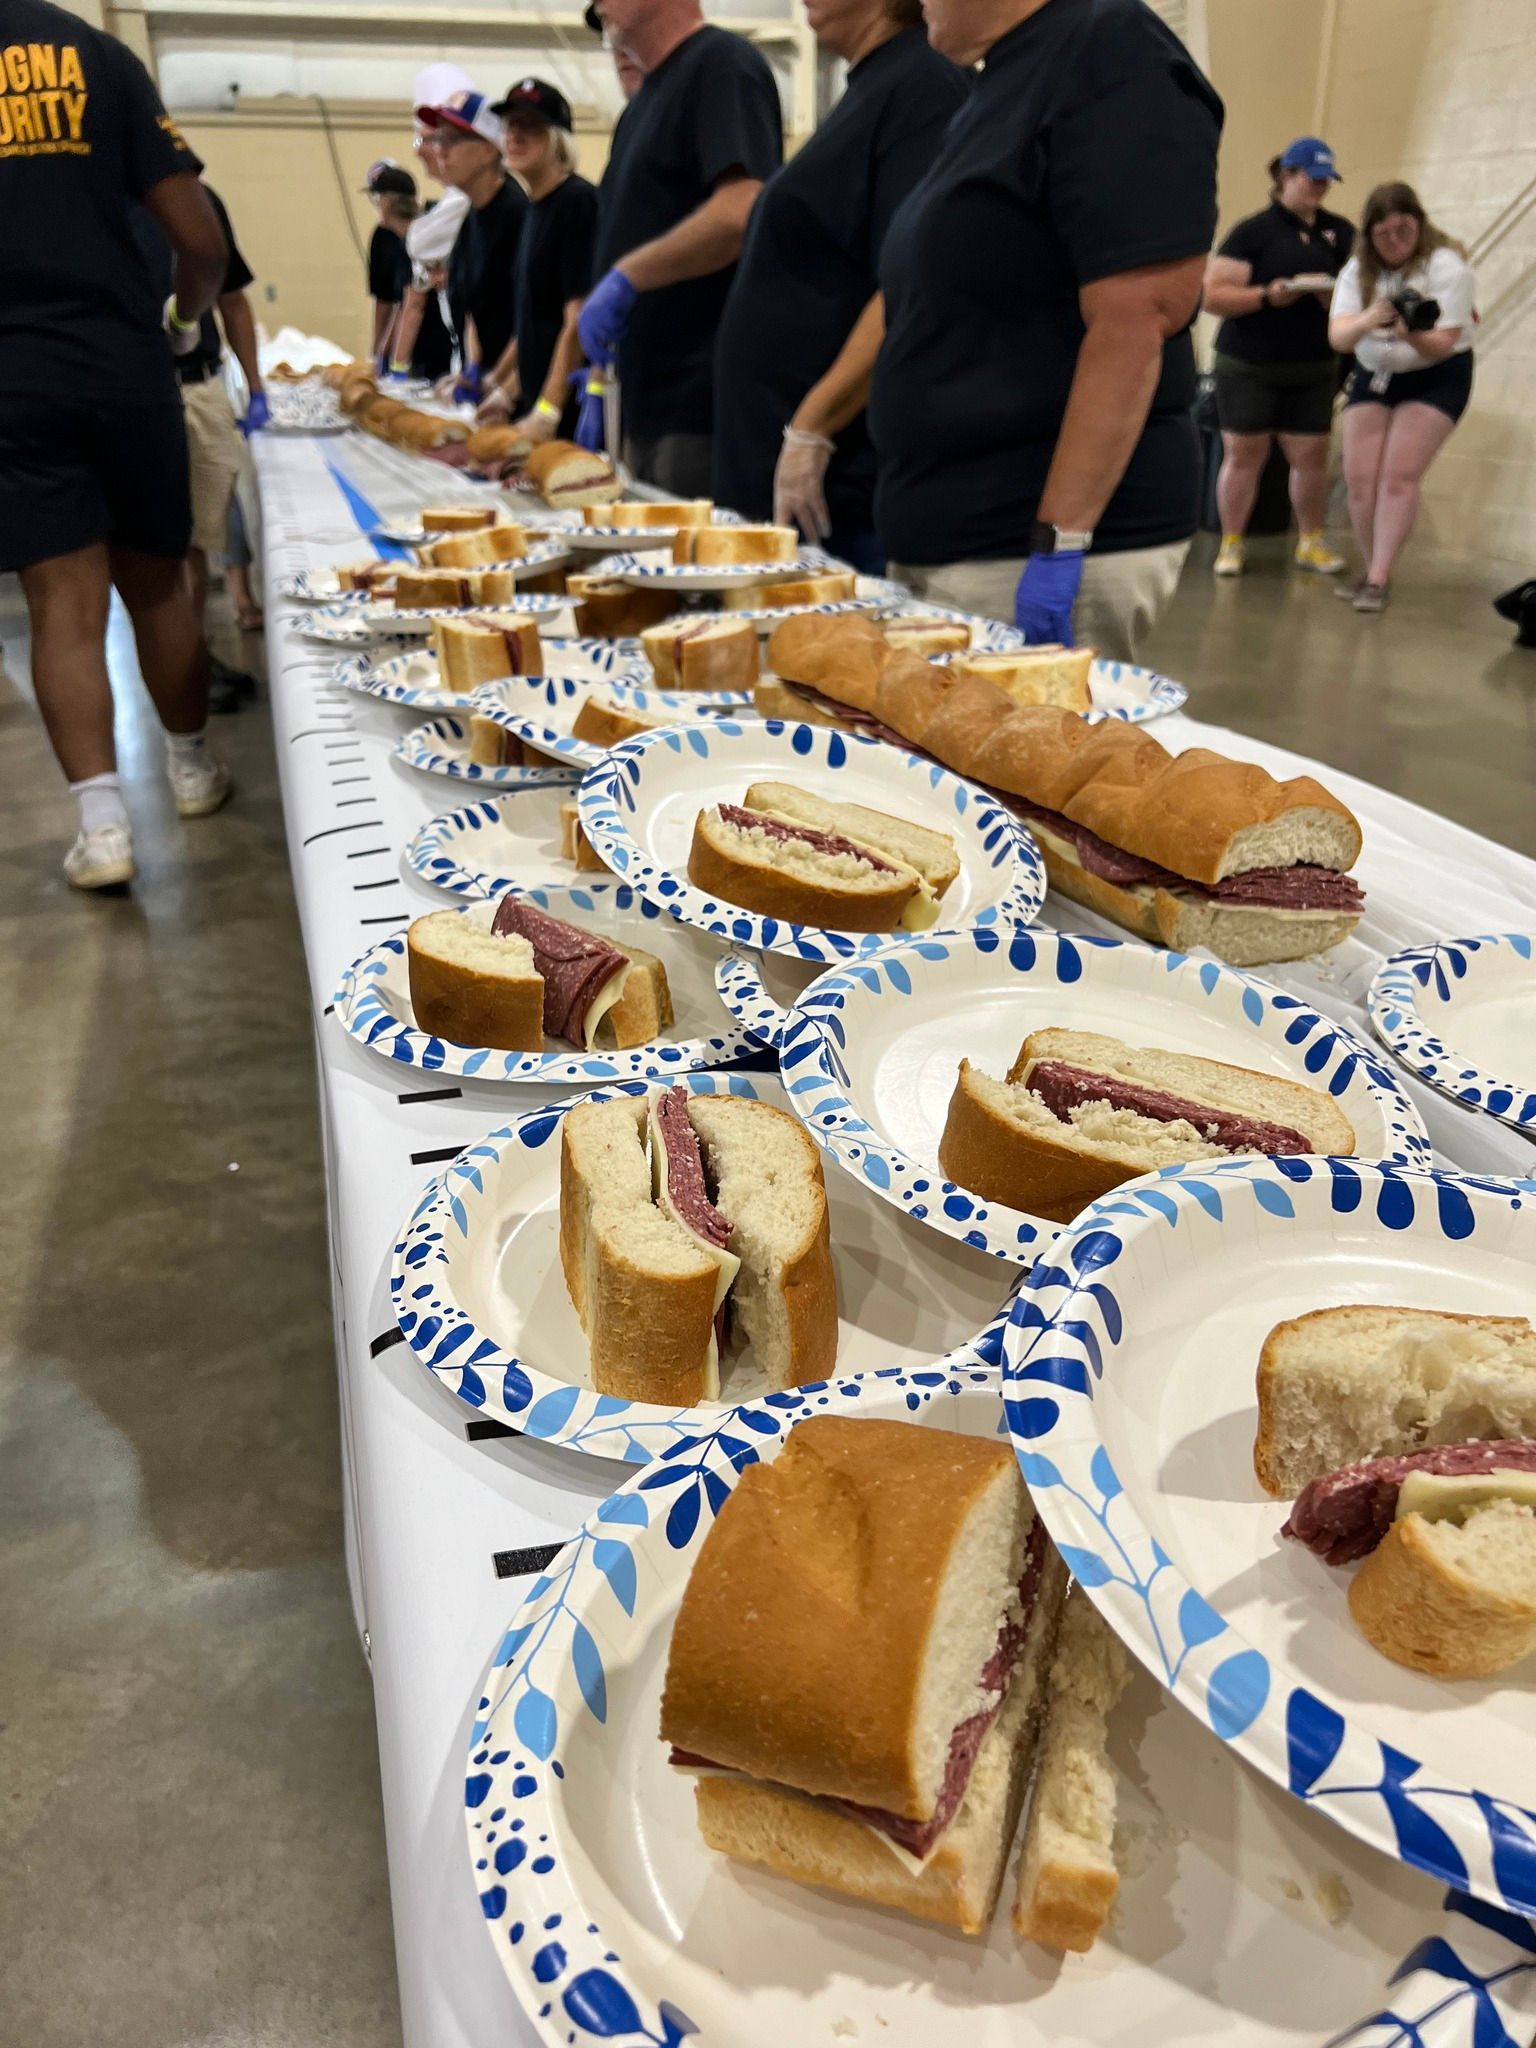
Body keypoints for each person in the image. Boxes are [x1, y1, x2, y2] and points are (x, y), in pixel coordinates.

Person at [867, 0, 1222, 663]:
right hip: (954, 534)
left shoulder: (1107, 47)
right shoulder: (997, 83)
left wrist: (1059, 546)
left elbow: (1138, 312)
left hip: (1033, 541)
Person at [1, 0, 232, 890]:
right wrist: (181, 321)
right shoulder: (97, 55)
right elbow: (201, 239)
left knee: (62, 600)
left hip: (13, 376)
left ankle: (103, 830)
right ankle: (190, 769)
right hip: (120, 361)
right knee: (158, 580)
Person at [712, 0, 968, 573]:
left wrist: (813, 427)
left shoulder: (922, 85)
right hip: (795, 483)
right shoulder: (871, 87)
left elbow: (911, 282)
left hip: (839, 488)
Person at [578, 0, 783, 495]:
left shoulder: (720, 65)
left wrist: (626, 277)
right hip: (642, 404)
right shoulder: (642, 106)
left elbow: (741, 209)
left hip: (697, 404)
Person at [1202, 137, 1353, 578]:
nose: (1320, 188)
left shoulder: (1339, 232)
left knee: (1311, 455)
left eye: (1327, 181)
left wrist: (1333, 300)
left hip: (1312, 365)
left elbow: (1358, 290)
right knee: (1244, 455)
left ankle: (1311, 541)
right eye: (1312, 179)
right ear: (1285, 175)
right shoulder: (1253, 232)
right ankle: (1231, 543)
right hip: (1250, 364)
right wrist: (1267, 296)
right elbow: (1213, 295)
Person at [1328, 182, 1476, 614]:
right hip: (1376, 373)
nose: (1395, 242)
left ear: (1419, 224)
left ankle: (1378, 577)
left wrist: (1411, 331)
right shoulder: (1358, 271)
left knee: (1397, 476)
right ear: (1369, 236)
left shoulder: (1447, 267)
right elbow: (1338, 337)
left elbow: (1443, 343)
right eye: (1384, 234)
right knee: (1358, 477)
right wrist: (1370, 318)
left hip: (1436, 375)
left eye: (1404, 230)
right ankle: (1372, 566)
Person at [156, 184, 267, 713]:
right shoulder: (80, 193)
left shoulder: (191, 197)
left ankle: (190, 657)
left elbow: (233, 299)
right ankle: (172, 671)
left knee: (197, 541)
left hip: (196, 383)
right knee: (151, 551)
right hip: (129, 387)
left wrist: (257, 388)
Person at [474, 80, 598, 444]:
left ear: (558, 139)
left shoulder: (577, 203)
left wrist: (548, 411)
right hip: (536, 406)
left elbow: (577, 319)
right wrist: (507, 392)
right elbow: (535, 329)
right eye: (510, 126)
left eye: (530, 127)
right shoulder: (534, 209)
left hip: (567, 417)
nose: (515, 136)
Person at [415, 88, 527, 410]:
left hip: (518, 393)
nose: (440, 152)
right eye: (438, 141)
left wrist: (495, 383)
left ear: (490, 149)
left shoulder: (517, 216)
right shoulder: (471, 220)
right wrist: (472, 369)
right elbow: (472, 309)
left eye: (452, 141)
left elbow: (534, 320)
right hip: (489, 388)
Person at [388, 64, 474, 383]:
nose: (424, 152)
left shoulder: (469, 199)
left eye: (432, 140)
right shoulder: (459, 198)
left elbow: (420, 243)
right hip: (464, 359)